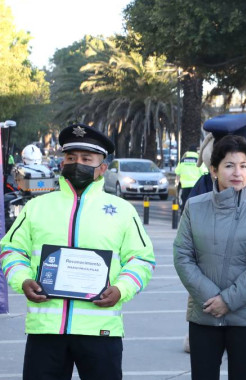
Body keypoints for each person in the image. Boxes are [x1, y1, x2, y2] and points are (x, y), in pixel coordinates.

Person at [0, 123, 155, 379]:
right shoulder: (37, 207)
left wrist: (121, 290)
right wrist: (22, 280)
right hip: (46, 329)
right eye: (71, 158)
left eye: (86, 158)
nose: (77, 163)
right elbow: (11, 250)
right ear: (62, 163)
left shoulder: (122, 211)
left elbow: (142, 260)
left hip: (101, 330)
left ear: (102, 167)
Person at [174, 134, 246, 380]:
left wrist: (228, 300)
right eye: (229, 165)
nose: (237, 172)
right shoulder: (195, 206)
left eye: (243, 166)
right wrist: (212, 298)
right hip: (204, 312)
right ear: (213, 169)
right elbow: (183, 255)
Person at [174, 145, 206, 210]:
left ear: (188, 151)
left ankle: (184, 217)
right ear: (196, 152)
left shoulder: (182, 161)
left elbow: (177, 171)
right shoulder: (198, 160)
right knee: (195, 203)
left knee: (185, 202)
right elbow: (204, 171)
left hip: (185, 186)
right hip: (195, 186)